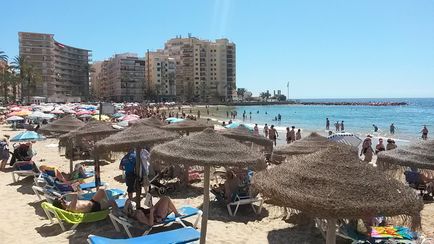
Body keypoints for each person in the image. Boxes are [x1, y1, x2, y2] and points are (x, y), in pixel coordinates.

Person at [52, 189, 118, 213]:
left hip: (92, 202)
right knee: (112, 202)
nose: (63, 200)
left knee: (101, 190)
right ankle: (117, 214)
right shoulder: (70, 208)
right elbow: (76, 194)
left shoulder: (68, 204)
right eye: (62, 200)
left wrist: (64, 196)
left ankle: (106, 202)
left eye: (63, 199)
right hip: (95, 208)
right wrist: (66, 194)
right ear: (61, 205)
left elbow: (78, 193)